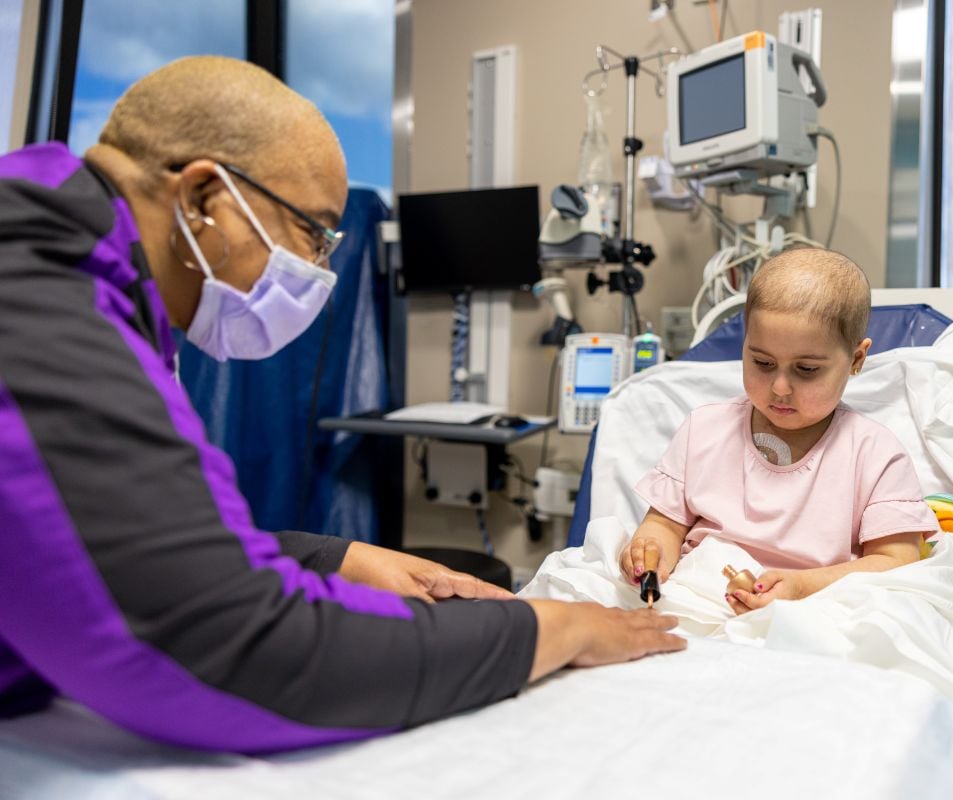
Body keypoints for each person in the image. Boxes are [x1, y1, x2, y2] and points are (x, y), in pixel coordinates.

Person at [0, 55, 683, 753]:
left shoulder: (67, 261)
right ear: (205, 196)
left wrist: (337, 559)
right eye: (314, 235)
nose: (320, 272)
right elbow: (234, 647)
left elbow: (130, 544)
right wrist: (548, 628)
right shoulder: (41, 303)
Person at [618, 248, 939, 614]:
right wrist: (650, 552)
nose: (780, 387)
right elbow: (665, 525)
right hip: (699, 599)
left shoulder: (875, 454)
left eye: (806, 369)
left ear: (855, 359)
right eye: (763, 362)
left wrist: (802, 588)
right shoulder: (703, 431)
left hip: (816, 610)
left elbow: (896, 563)